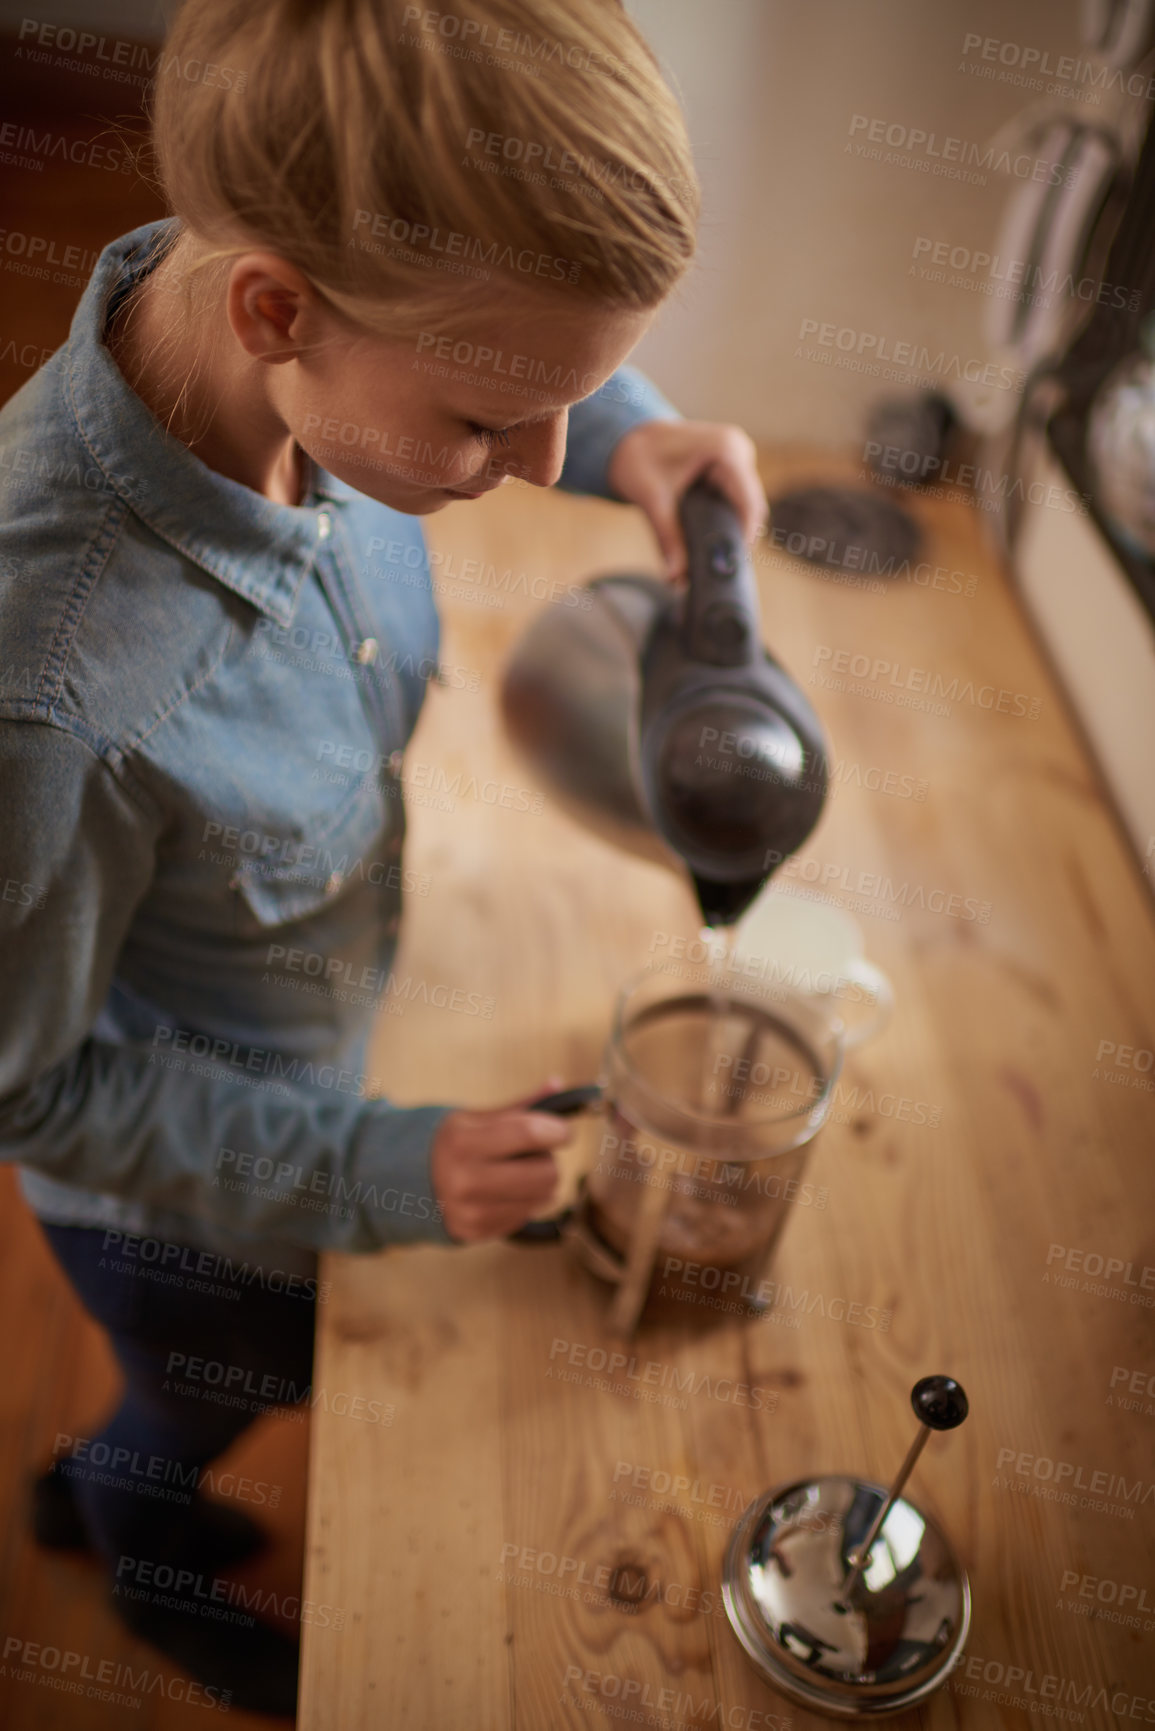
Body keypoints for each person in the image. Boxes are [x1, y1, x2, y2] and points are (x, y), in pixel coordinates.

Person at [0, 0, 765, 1715]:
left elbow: (487, 344)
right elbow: (30, 1087)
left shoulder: (292, 326)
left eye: (570, 393)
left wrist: (624, 418)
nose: (543, 463)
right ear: (278, 308)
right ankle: (137, 1534)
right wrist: (383, 1172)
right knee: (218, 1383)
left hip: (321, 1035)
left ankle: (109, 1464)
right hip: (193, 1210)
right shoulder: (49, 696)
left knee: (187, 1385)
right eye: (500, 419)